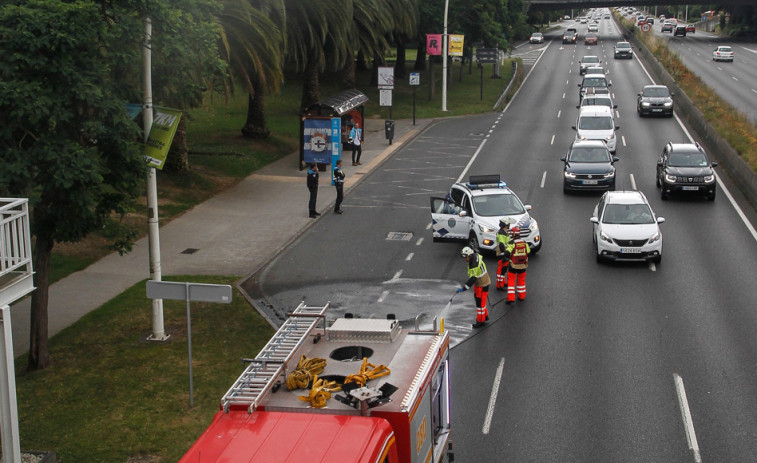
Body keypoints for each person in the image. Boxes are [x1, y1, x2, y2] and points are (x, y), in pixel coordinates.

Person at [456, 246, 490, 328]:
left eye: (466, 257)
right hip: (480, 283)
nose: (465, 259)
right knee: (480, 300)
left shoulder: (474, 264)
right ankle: (485, 316)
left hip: (482, 284)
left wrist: (464, 288)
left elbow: (473, 278)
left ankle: (480, 321)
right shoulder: (474, 257)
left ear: (470, 255)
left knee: (480, 304)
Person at [503, 227, 530, 304]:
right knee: (521, 280)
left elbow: (507, 253)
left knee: (511, 281)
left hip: (513, 265)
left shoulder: (512, 243)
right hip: (523, 265)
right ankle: (521, 296)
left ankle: (511, 298)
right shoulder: (524, 242)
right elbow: (528, 251)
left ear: (513, 234)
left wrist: (505, 258)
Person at [495, 218, 511, 291]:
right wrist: (504, 254)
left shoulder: (504, 232)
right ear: (506, 224)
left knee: (504, 268)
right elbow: (501, 244)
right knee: (501, 269)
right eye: (508, 224)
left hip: (504, 253)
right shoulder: (502, 233)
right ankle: (499, 285)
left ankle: (503, 282)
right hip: (502, 253)